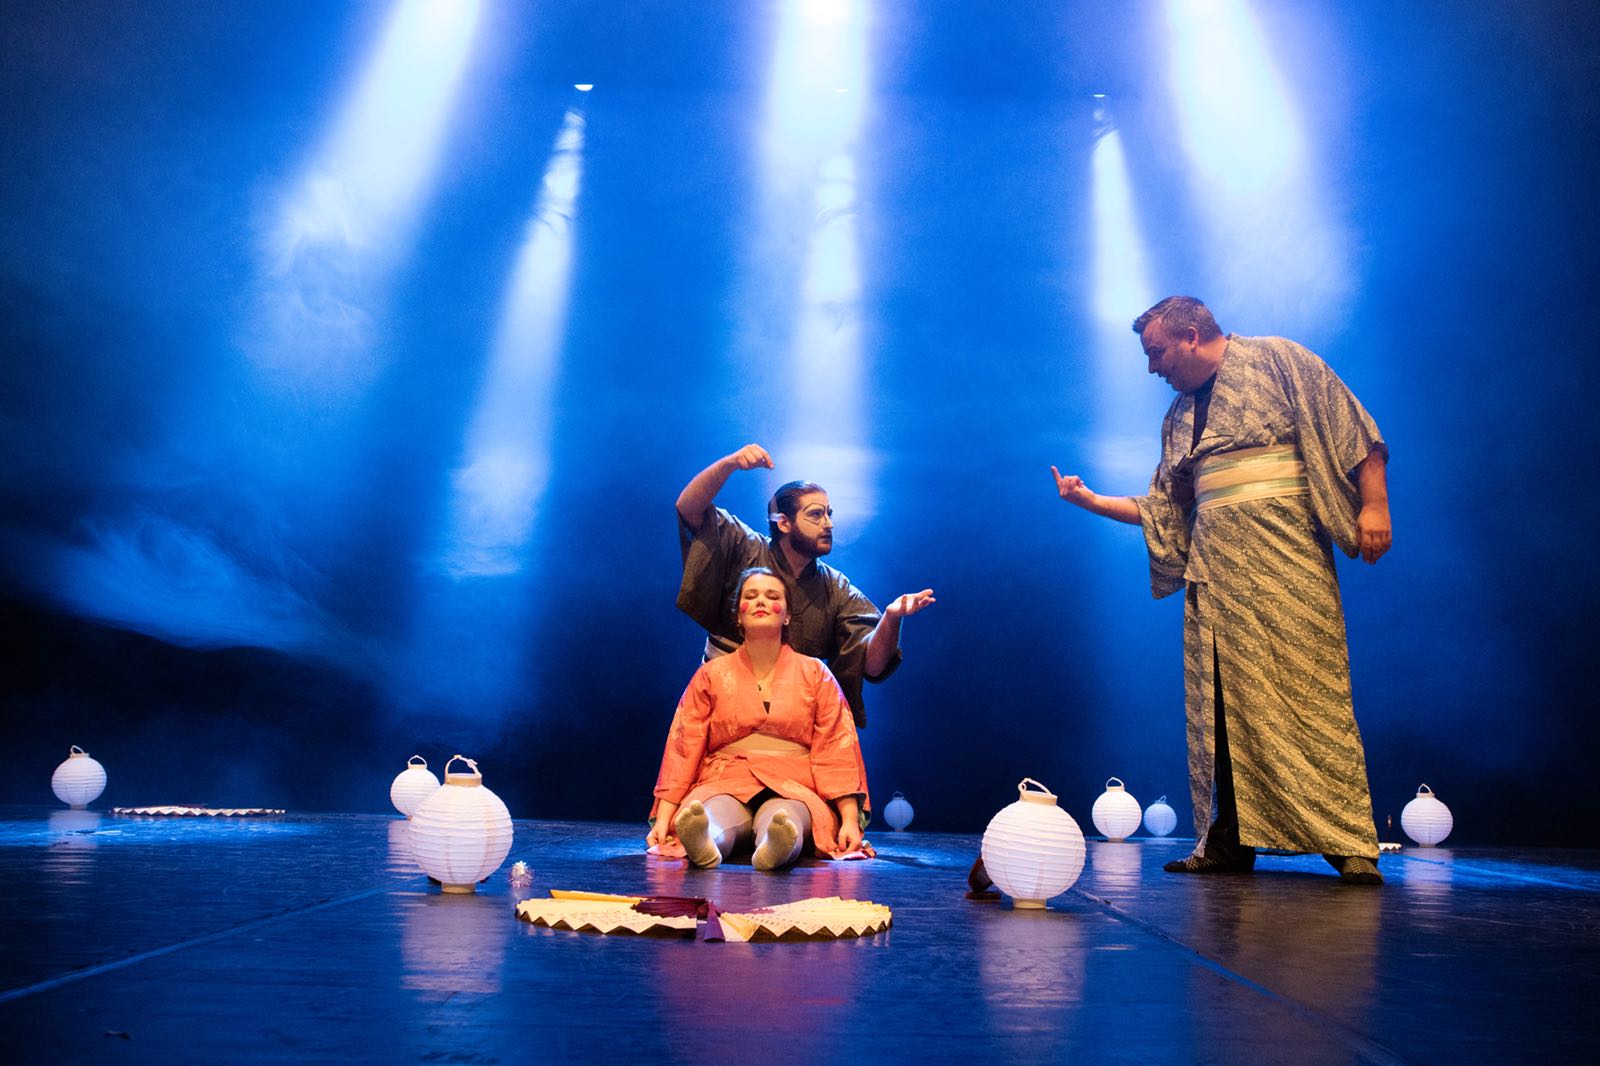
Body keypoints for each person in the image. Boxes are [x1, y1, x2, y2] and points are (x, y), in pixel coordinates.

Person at [1051, 296, 1391, 885]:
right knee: (1224, 710)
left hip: (1287, 560)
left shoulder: (1280, 360)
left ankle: (1347, 841)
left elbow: (1352, 428)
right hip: (1216, 575)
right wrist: (1090, 500)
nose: (1152, 367)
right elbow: (1164, 508)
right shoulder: (1179, 416)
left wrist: (1375, 503)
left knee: (1313, 695)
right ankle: (1229, 840)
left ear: (1190, 335)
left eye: (1157, 352)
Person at [675, 444, 934, 727]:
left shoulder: (836, 589)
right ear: (784, 523)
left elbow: (872, 666)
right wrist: (731, 463)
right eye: (816, 514)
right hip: (721, 702)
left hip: (792, 720)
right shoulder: (746, 547)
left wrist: (892, 618)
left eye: (829, 514)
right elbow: (688, 508)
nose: (828, 524)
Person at [648, 567, 867, 870]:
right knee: (711, 812)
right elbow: (684, 746)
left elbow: (836, 747)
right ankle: (705, 841)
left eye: (772, 596)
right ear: (738, 615)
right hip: (725, 777)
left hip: (795, 781)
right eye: (751, 596)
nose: (761, 601)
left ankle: (774, 847)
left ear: (787, 616)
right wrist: (663, 818)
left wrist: (849, 819)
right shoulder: (711, 674)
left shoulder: (816, 673)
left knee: (786, 816)